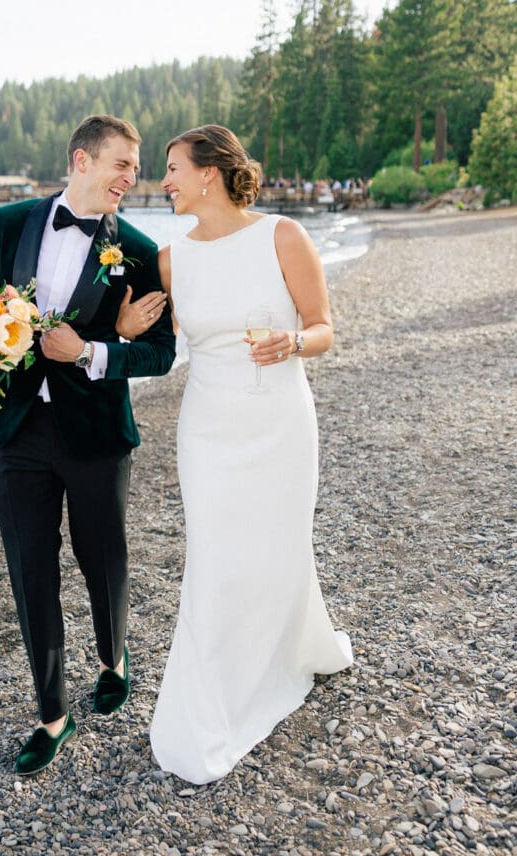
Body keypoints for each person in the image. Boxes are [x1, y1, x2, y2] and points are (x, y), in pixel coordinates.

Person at [116, 124, 352, 784]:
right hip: (208, 427)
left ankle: (285, 654)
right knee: (217, 558)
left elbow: (324, 328)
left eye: (171, 168)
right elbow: (143, 335)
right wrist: (121, 327)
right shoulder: (169, 260)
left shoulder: (282, 235)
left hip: (278, 421)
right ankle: (212, 702)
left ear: (209, 173)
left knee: (278, 545)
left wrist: (294, 342)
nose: (162, 182)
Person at [0, 114, 175, 776]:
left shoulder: (138, 248)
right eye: (121, 165)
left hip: (94, 434)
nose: (131, 178)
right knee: (31, 571)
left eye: (137, 169)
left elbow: (160, 353)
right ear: (80, 160)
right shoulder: (10, 224)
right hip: (18, 431)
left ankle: (114, 657)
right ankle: (51, 716)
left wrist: (92, 350)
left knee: (102, 556)